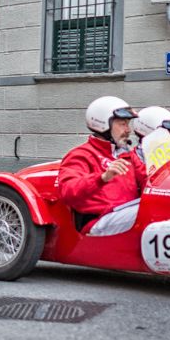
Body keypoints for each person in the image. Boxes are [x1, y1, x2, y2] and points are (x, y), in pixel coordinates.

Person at [57, 96, 147, 236]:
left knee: (166, 204)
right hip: (98, 220)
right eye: (122, 124)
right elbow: (68, 191)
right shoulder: (82, 154)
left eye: (127, 124)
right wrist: (102, 177)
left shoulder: (127, 156)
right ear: (104, 124)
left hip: (125, 214)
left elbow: (149, 181)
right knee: (148, 211)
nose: (128, 130)